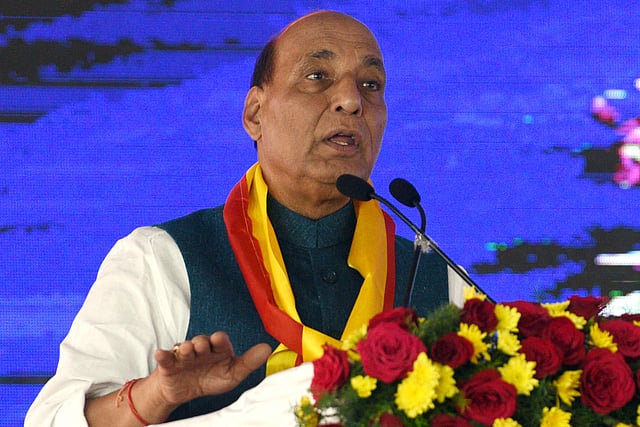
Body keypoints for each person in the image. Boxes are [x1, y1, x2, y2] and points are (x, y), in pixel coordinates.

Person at [26, 10, 466, 426]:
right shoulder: (162, 260)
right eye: (317, 77)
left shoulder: (440, 280)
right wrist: (155, 395)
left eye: (370, 84)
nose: (352, 101)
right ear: (255, 114)